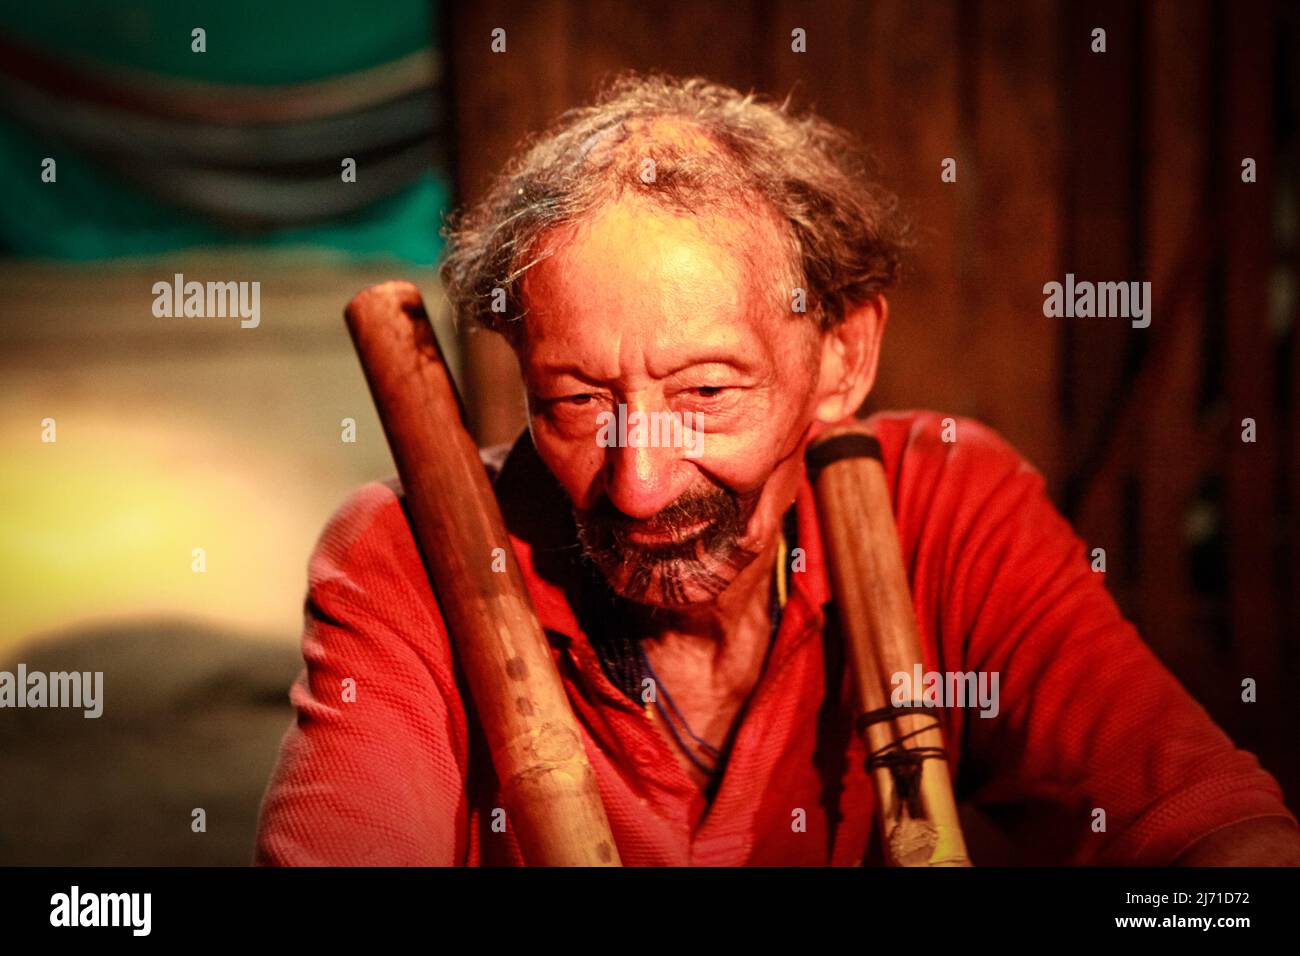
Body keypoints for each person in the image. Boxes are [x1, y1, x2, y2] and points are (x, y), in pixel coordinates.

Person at [254, 73, 1300, 866]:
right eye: (576, 402)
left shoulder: (944, 502)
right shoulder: (409, 557)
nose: (640, 485)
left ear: (840, 357)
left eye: (707, 392)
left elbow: (1221, 839)